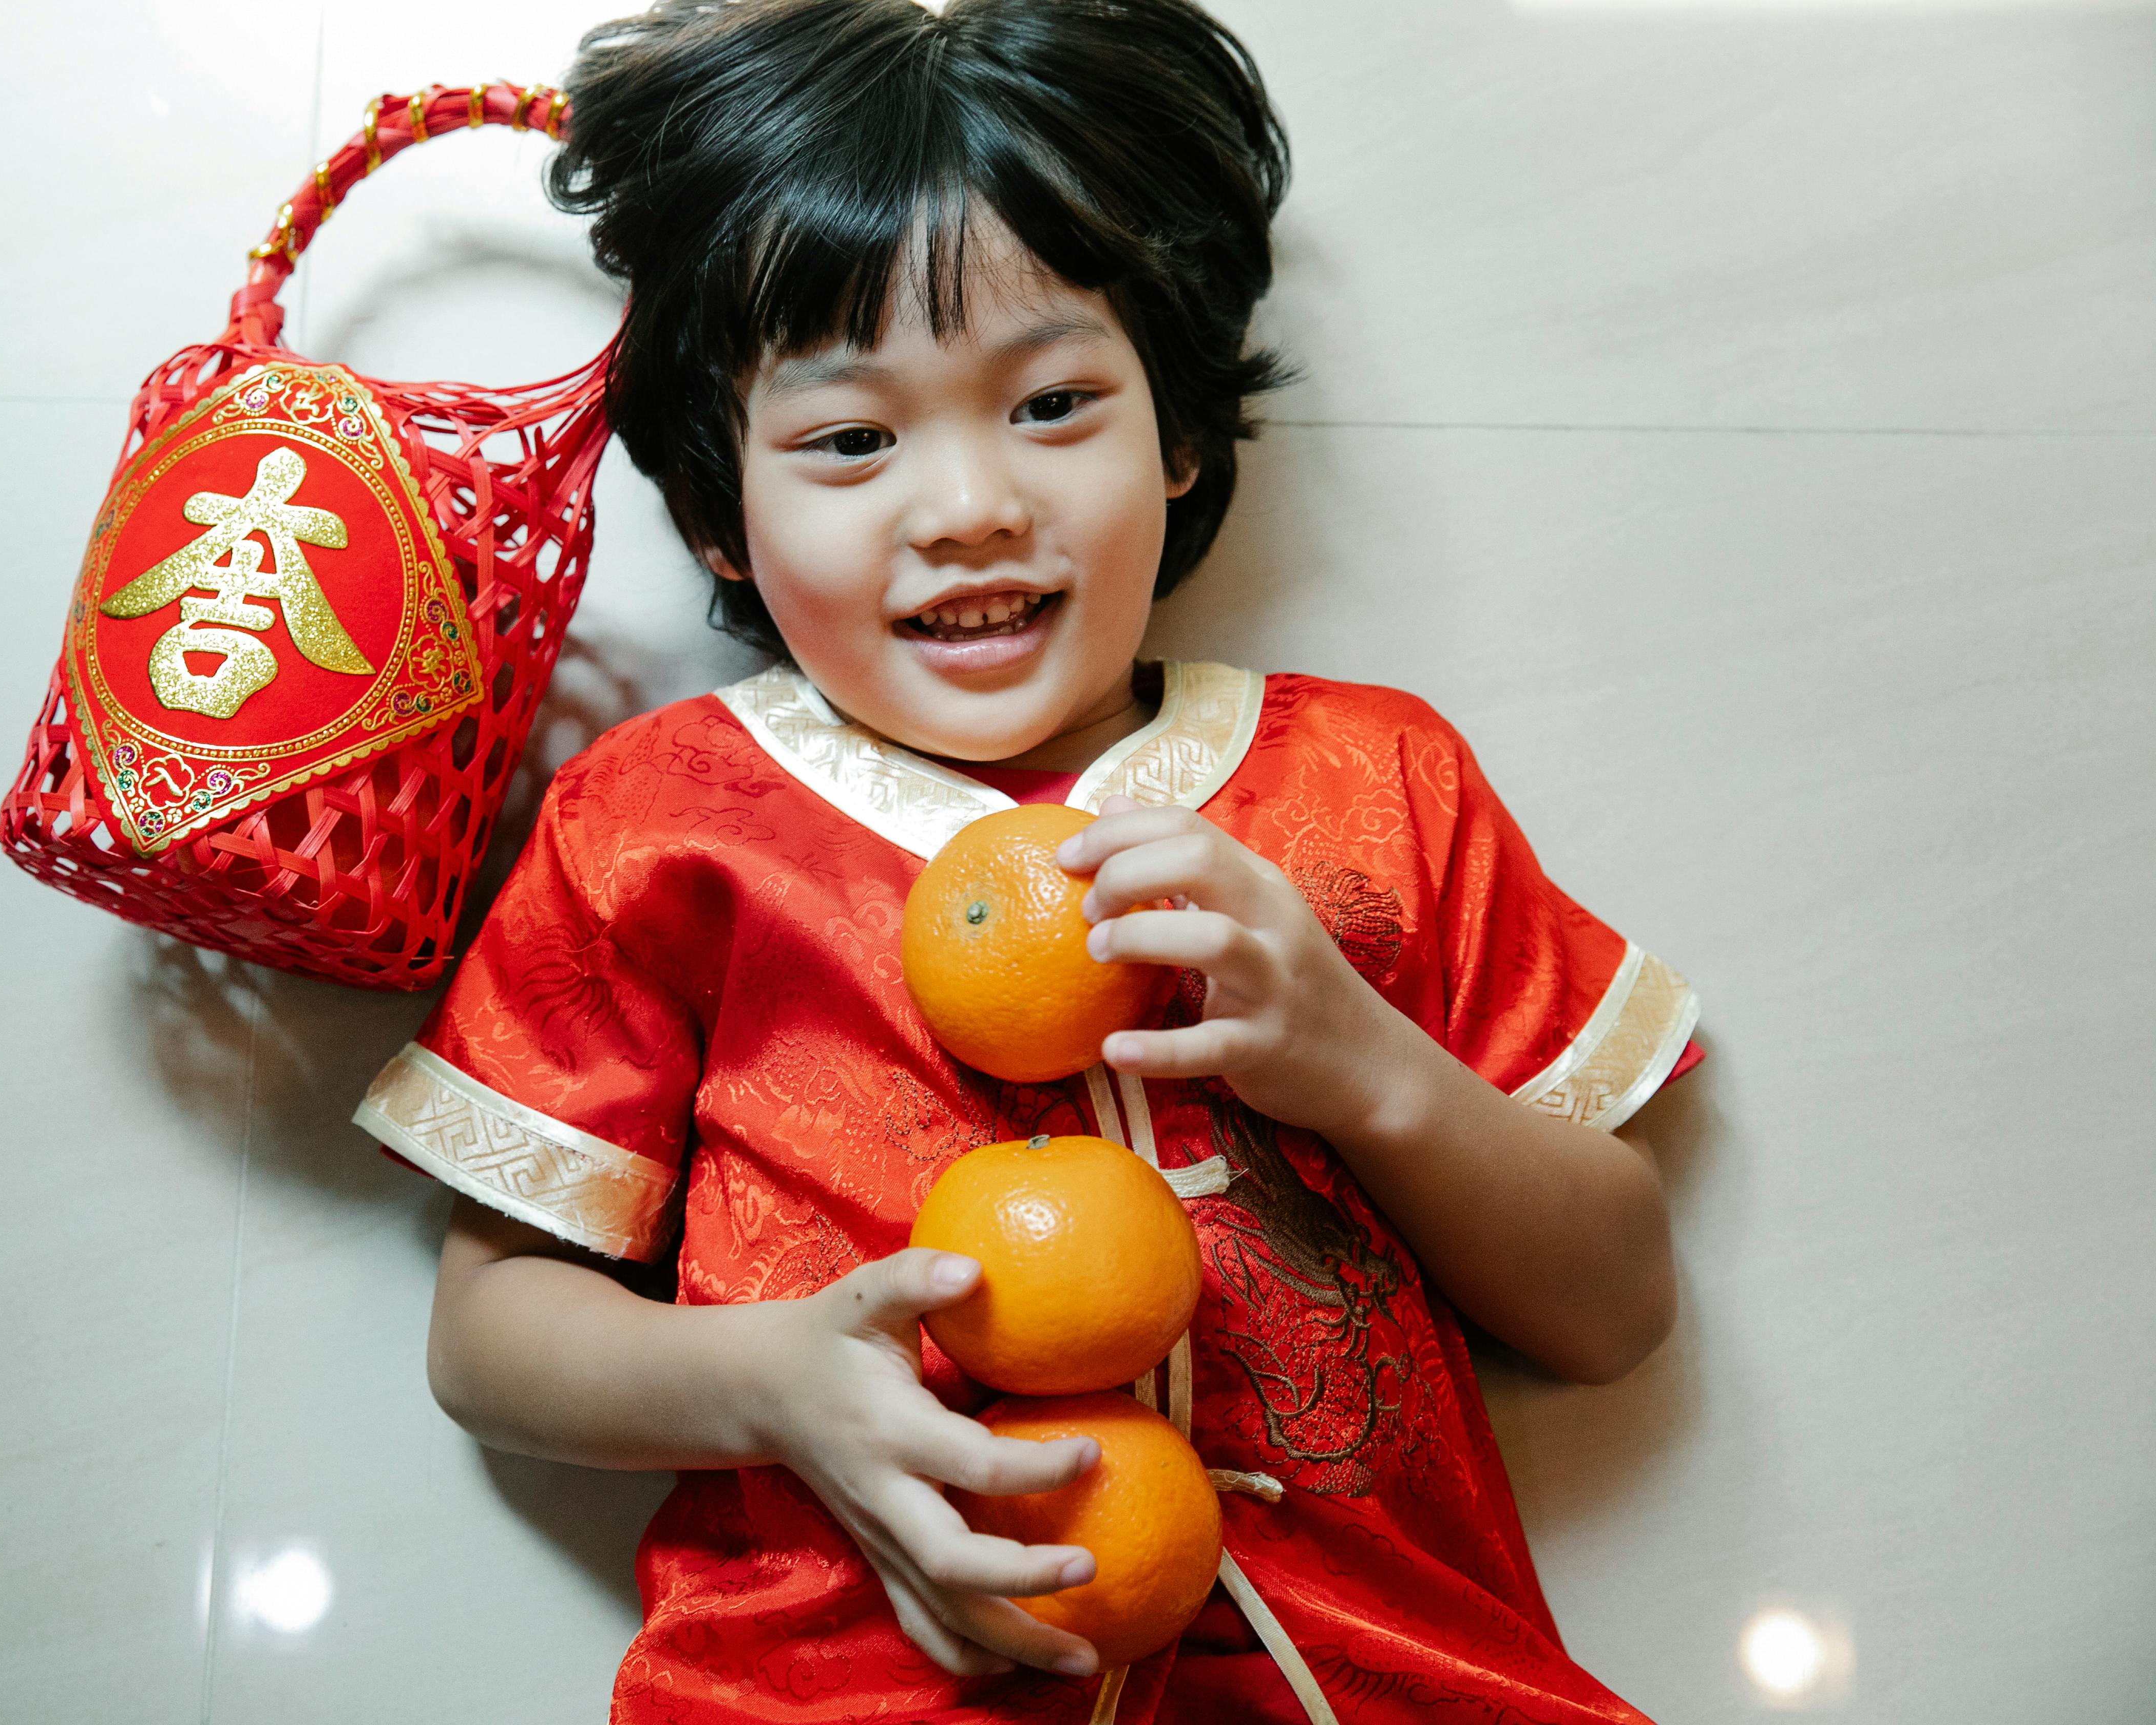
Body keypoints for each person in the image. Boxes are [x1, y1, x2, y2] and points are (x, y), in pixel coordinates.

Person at [353, 2, 1700, 1719]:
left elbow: (1615, 1310)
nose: (972, 502)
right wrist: (767, 1385)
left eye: (1056, 401)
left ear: (1186, 432)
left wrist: (1365, 1068)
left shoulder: (1379, 778)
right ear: (718, 515)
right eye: (851, 440)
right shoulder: (662, 819)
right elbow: (489, 1338)